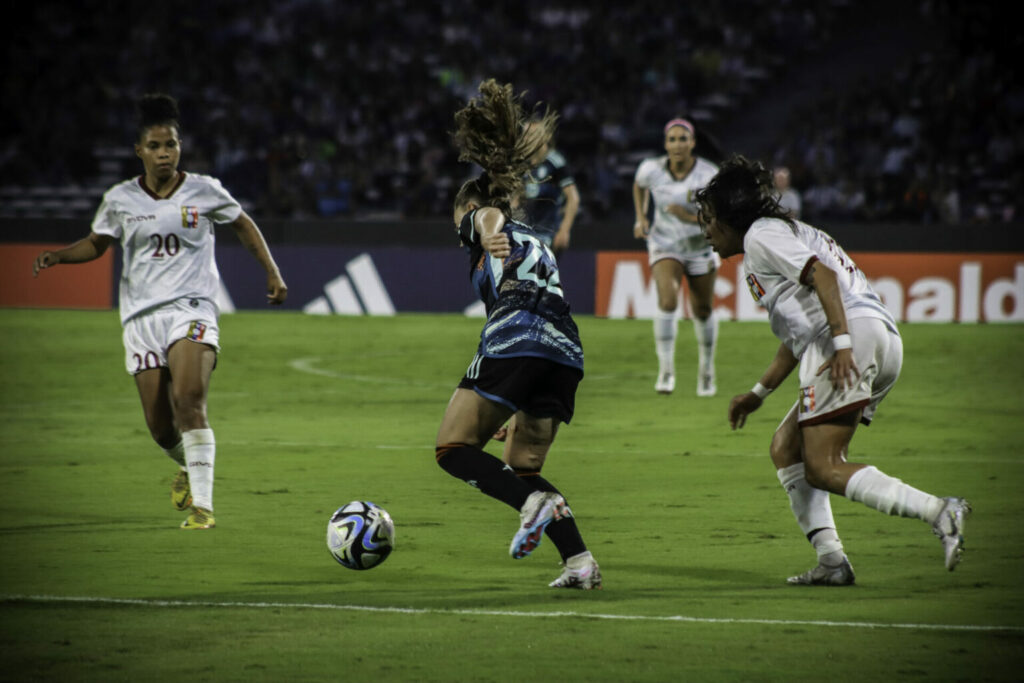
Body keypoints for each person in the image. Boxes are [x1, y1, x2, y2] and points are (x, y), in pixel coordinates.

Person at [696, 155, 970, 585]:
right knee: (786, 447)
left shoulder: (761, 237)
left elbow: (823, 278)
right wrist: (758, 393)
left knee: (823, 466)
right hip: (876, 334)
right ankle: (832, 563)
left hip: (849, 337)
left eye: (710, 219)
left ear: (731, 218)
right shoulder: (787, 233)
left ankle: (940, 510)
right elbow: (798, 334)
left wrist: (842, 345)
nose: (705, 230)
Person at [32, 94, 288, 530]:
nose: (164, 153)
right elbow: (97, 242)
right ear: (139, 151)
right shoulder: (120, 199)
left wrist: (272, 272)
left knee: (190, 398)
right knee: (160, 427)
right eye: (154, 145)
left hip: (192, 307)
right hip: (139, 319)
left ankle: (203, 508)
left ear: (179, 146)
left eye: (170, 144)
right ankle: (187, 464)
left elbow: (243, 223)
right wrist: (60, 255)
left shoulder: (204, 190)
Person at [435, 78, 601, 590]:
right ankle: (580, 563)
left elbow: (485, 216)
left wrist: (483, 227)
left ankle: (533, 505)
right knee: (523, 465)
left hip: (519, 336)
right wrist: (506, 399)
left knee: (452, 449)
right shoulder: (537, 238)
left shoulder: (485, 221)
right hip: (564, 349)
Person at [633, 118, 720, 396]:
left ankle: (707, 370)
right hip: (664, 244)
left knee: (702, 310)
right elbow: (638, 186)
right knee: (668, 301)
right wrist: (640, 218)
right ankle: (666, 371)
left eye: (683, 139)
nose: (678, 144)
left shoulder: (708, 175)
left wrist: (687, 215)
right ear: (665, 144)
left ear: (693, 143)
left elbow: (717, 217)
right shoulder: (651, 169)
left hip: (700, 247)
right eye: (672, 139)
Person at [520, 120, 580, 258]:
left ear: (544, 137)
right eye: (525, 135)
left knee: (536, 274)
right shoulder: (522, 164)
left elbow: (573, 198)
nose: (526, 139)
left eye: (531, 135)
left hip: (548, 232)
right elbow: (517, 199)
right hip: (525, 231)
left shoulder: (555, 163)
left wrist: (564, 230)